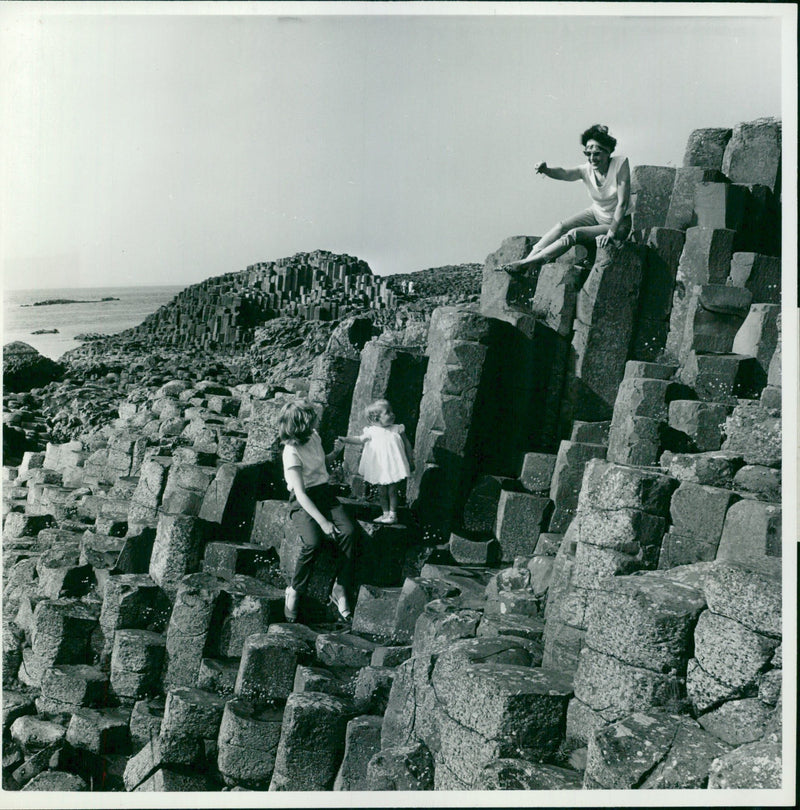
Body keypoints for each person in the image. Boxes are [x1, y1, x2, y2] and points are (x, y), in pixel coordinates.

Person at [498, 124, 632, 274]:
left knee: (574, 234)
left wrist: (611, 235)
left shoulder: (620, 164)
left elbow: (623, 203)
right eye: (587, 153)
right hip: (596, 214)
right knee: (561, 227)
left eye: (596, 153)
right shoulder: (586, 170)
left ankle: (529, 263)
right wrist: (546, 170)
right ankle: (528, 260)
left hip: (618, 224)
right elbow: (564, 173)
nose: (591, 158)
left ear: (608, 152)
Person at [279, 400, 356, 623]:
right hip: (303, 501)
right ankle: (294, 590)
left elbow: (321, 463)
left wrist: (336, 453)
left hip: (324, 494)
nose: (316, 420)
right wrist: (323, 522)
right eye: (312, 417)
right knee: (313, 542)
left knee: (349, 532)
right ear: (301, 424)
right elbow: (301, 494)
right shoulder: (291, 452)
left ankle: (340, 588)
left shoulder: (313, 436)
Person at [340, 398, 414, 525]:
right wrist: (346, 439)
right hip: (380, 467)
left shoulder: (397, 428)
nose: (392, 414)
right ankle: (385, 513)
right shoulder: (371, 431)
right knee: (382, 491)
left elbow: (407, 445)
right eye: (388, 412)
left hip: (394, 466)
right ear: (376, 419)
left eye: (391, 411)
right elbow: (359, 439)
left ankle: (393, 514)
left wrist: (410, 460)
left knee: (392, 491)